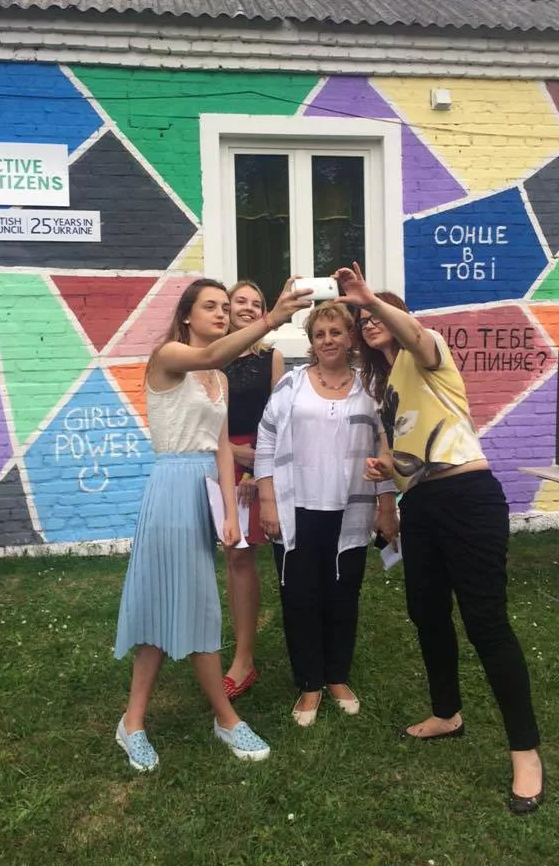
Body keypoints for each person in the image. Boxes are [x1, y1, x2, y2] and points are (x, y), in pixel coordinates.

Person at [335, 264, 544, 815]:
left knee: (486, 623)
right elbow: (407, 455)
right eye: (360, 318)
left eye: (373, 313)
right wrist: (388, 470)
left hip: (468, 497)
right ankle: (447, 713)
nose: (366, 321)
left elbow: (415, 335)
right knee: (426, 613)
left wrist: (370, 299)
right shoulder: (385, 390)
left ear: (395, 315)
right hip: (422, 506)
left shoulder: (428, 352)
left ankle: (525, 752)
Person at [114, 276, 312, 771]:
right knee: (196, 603)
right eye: (211, 306)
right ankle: (223, 718)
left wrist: (229, 512)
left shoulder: (219, 378)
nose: (222, 313)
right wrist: (272, 318)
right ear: (186, 315)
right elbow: (207, 354)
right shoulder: (170, 356)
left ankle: (133, 721)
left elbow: (222, 448)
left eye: (226, 306)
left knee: (174, 602)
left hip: (204, 490)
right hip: (171, 488)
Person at [255, 301, 398, 727]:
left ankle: (336, 676)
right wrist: (267, 501)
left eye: (336, 332)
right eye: (319, 334)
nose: (328, 340)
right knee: (299, 598)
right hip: (295, 509)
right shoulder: (291, 384)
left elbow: (382, 452)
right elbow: (266, 440)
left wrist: (386, 505)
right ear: (311, 342)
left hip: (349, 512)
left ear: (351, 337)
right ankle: (309, 683)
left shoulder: (369, 390)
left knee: (342, 596)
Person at [222, 280, 285, 700]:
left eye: (256, 303)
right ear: (227, 308)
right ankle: (239, 654)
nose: (248, 307)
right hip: (218, 460)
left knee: (260, 555)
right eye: (240, 301)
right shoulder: (209, 356)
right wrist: (229, 453)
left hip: (260, 463)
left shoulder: (271, 358)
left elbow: (279, 420)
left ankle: (246, 658)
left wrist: (254, 470)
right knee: (234, 555)